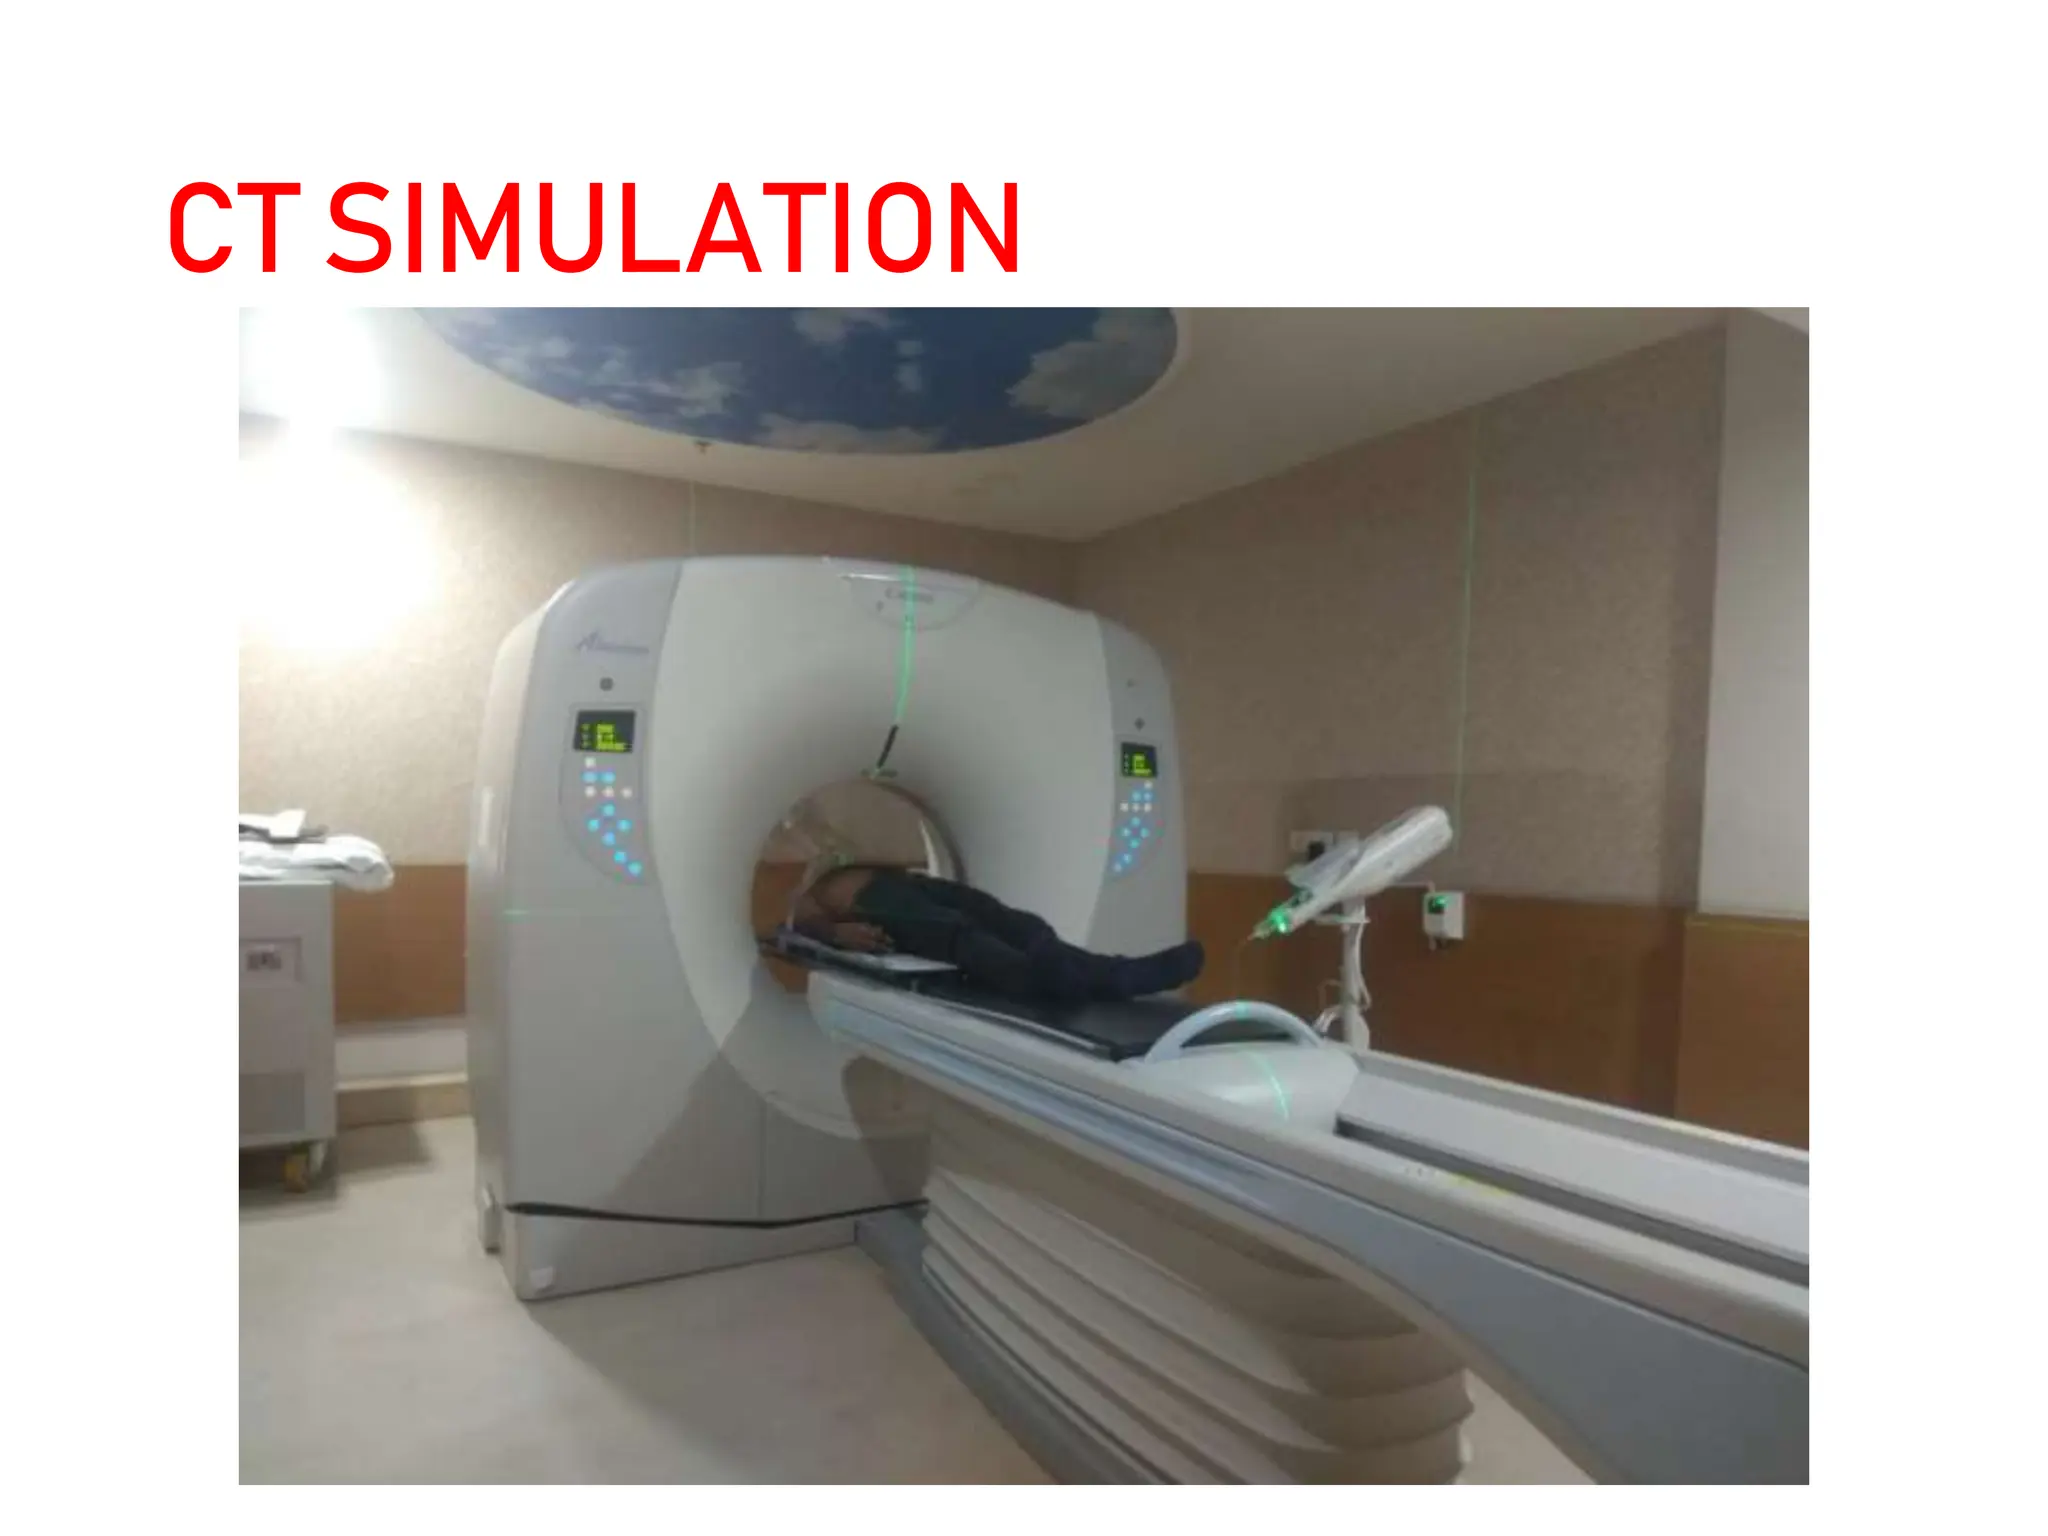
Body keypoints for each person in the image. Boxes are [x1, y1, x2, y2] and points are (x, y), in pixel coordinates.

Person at [790, 862, 1204, 1006]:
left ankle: (1119, 973)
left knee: (1001, 916)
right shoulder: (810, 891)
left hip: (909, 883)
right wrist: (836, 932)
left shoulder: (848, 857)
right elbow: (799, 922)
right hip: (872, 904)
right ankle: (1033, 978)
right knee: (955, 930)